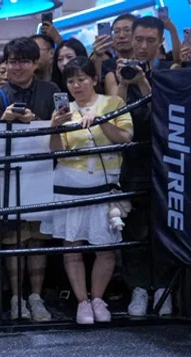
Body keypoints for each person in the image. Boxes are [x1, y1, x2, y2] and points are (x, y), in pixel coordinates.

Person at [45, 57, 133, 325]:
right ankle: (82, 302)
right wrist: (55, 127)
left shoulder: (113, 103)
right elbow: (56, 151)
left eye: (82, 79)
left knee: (105, 246)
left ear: (94, 79)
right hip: (69, 181)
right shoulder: (63, 110)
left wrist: (102, 120)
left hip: (105, 182)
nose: (76, 85)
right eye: (71, 80)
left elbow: (126, 139)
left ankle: (98, 298)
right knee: (72, 245)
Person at [0, 37, 60, 322]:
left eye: (23, 61)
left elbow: (60, 124)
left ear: (35, 63)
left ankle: (36, 296)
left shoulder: (51, 90)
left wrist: (36, 120)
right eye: (12, 61)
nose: (17, 67)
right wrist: (6, 121)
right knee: (13, 238)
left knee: (38, 238)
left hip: (43, 170)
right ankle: (16, 297)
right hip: (7, 174)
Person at [106, 16, 173, 317]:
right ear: (130, 40)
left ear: (160, 43)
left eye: (150, 40)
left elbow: (165, 116)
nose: (143, 46)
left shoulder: (170, 73)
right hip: (130, 163)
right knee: (133, 230)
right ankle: (137, 288)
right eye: (138, 39)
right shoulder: (117, 71)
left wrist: (144, 81)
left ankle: (162, 287)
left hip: (164, 163)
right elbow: (113, 116)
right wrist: (123, 81)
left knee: (162, 228)